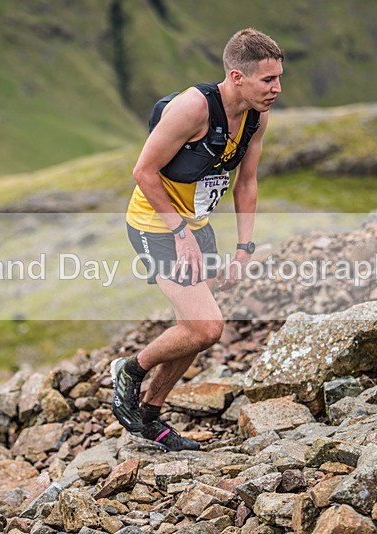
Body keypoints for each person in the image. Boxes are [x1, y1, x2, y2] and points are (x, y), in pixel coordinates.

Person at [112, 28, 283, 451]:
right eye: (268, 80)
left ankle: (149, 414)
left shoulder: (257, 117)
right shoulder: (193, 109)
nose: (277, 89)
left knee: (193, 328)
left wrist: (245, 247)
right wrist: (179, 230)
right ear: (236, 76)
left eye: (279, 78)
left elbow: (247, 183)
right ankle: (129, 371)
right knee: (207, 327)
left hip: (195, 226)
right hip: (157, 225)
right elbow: (143, 172)